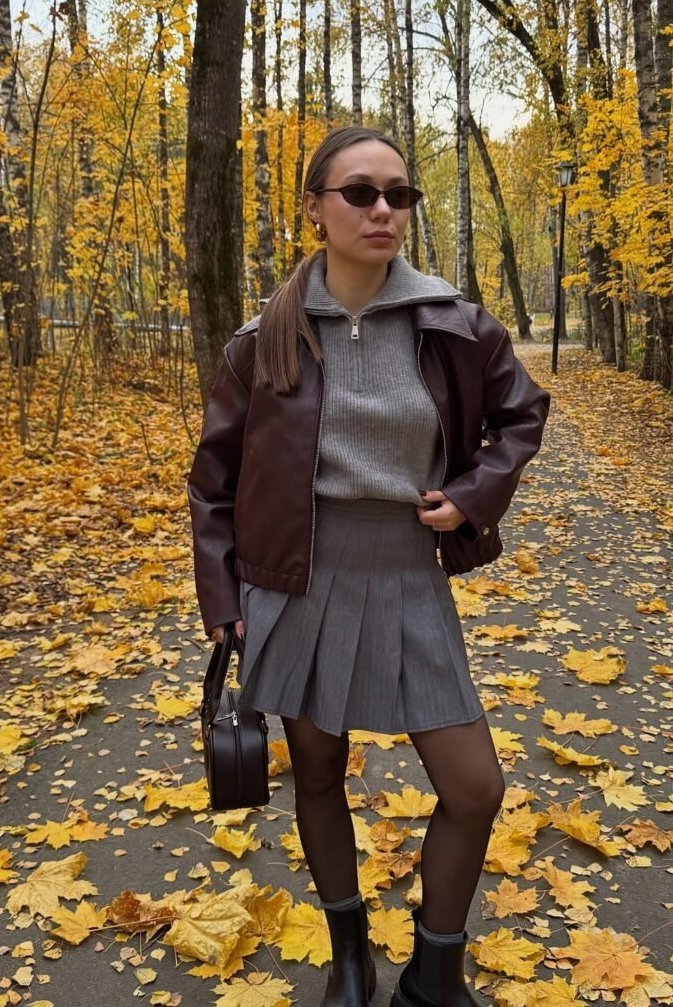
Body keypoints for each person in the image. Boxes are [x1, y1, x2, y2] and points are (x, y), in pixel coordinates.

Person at [187, 125, 551, 1007]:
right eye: (359, 192)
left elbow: (522, 416)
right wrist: (223, 600)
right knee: (316, 773)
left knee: (473, 787)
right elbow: (213, 482)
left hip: (405, 572)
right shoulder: (262, 339)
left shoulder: (453, 323)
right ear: (314, 208)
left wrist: (473, 495)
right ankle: (350, 956)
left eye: (398, 194)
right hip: (296, 579)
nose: (382, 209)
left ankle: (435, 970)